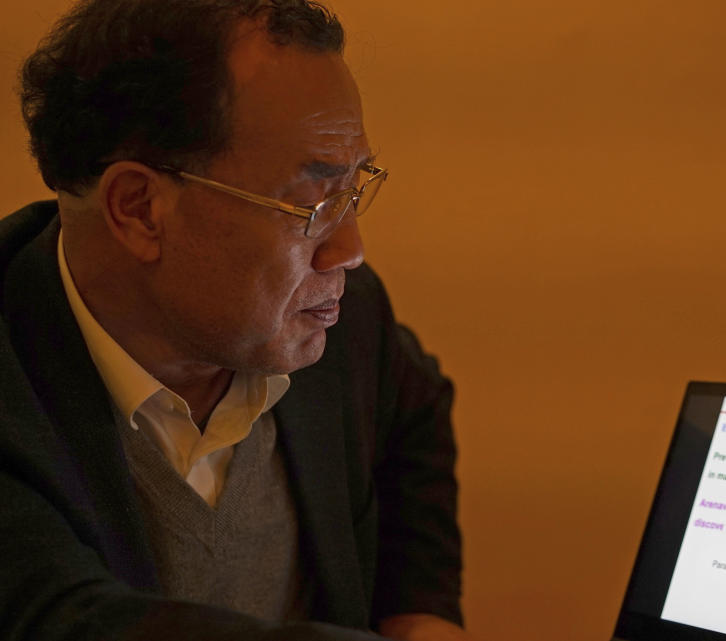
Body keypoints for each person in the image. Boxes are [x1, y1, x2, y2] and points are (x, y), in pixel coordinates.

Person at [0, 1, 472, 639]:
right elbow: (59, 621)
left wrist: (421, 609)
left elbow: (412, 406)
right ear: (139, 208)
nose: (349, 250)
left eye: (354, 188)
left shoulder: (337, 313)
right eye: (312, 203)